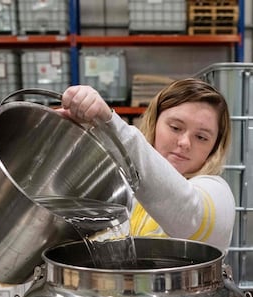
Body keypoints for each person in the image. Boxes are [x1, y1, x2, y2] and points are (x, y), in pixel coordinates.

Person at [58, 79, 235, 252]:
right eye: (175, 127)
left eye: (201, 137)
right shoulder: (126, 187)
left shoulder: (218, 195)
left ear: (215, 147)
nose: (185, 142)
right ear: (154, 122)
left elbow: (187, 213)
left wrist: (109, 124)